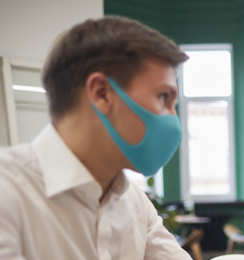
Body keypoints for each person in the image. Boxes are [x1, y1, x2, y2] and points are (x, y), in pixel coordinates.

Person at [0, 16, 192, 259]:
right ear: (102, 93)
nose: (173, 120)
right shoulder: (7, 192)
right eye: (164, 97)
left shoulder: (135, 203)